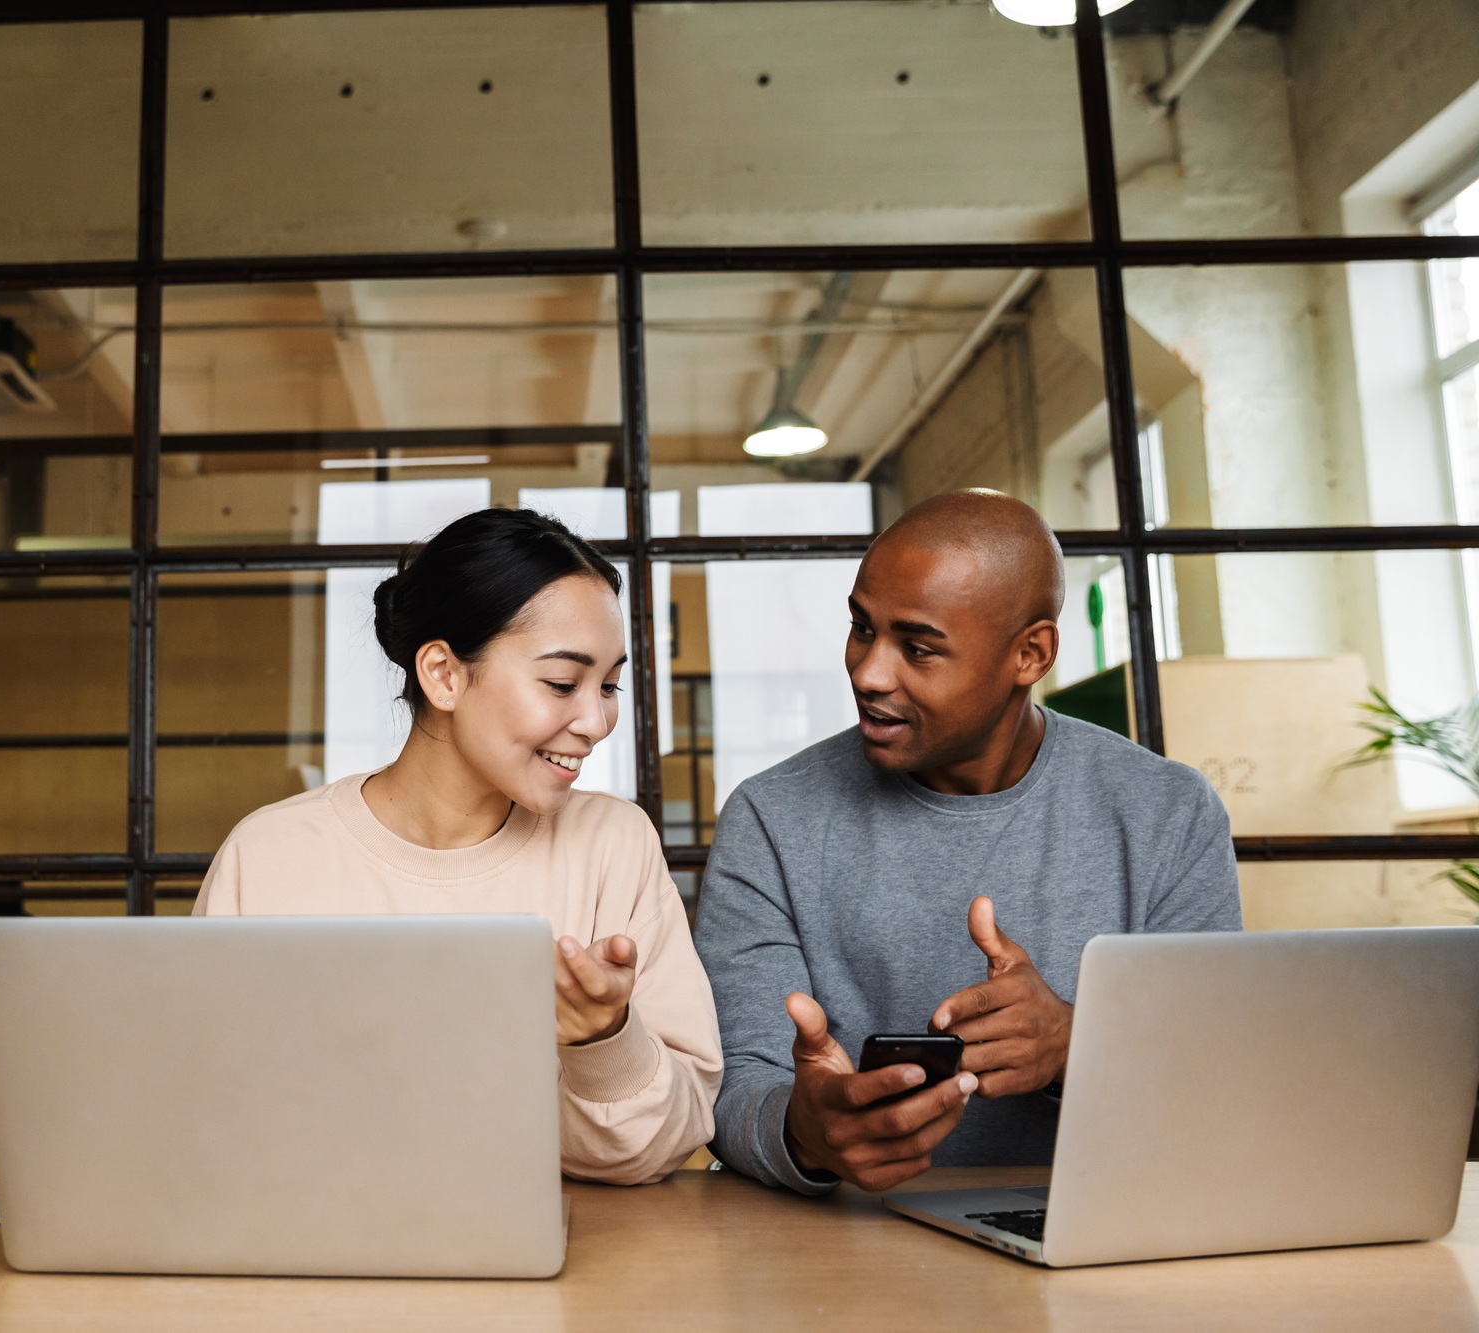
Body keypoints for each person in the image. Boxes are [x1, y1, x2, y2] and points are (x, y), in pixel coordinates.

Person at [695, 489, 1240, 1196]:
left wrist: (1079, 1042)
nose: (868, 672)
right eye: (862, 628)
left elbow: (1214, 1080)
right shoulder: (772, 818)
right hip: (844, 1258)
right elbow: (732, 1086)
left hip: (1099, 1231)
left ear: (1030, 653)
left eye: (917, 648)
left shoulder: (1166, 812)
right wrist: (806, 1130)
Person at [196, 507, 721, 1185]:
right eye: (563, 682)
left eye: (610, 684)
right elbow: (209, 1118)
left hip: (570, 1268)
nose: (595, 721)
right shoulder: (268, 856)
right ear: (443, 673)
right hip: (316, 1258)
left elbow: (665, 1147)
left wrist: (602, 1036)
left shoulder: (613, 844)